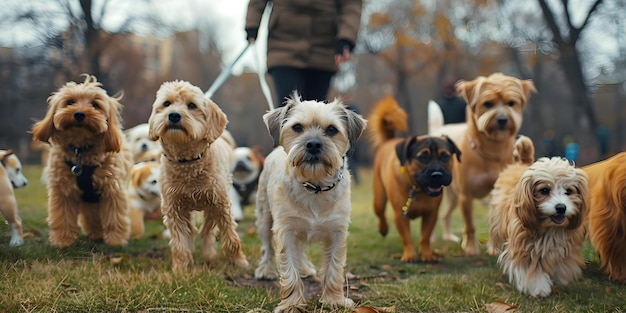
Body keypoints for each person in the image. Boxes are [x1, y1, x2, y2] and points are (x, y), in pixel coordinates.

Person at [245, 0, 363, 107]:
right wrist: (252, 24)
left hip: (324, 49)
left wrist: (346, 38)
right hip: (283, 45)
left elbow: (351, 5)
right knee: (289, 108)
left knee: (317, 113)